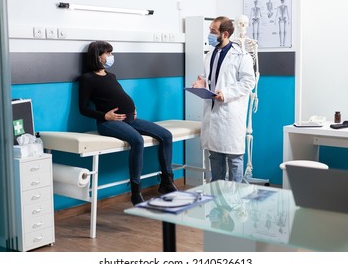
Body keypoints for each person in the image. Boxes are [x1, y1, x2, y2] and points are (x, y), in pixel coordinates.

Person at [79, 41, 177, 205]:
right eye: (108, 53)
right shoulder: (87, 79)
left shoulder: (111, 76)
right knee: (137, 141)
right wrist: (105, 116)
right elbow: (82, 108)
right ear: (98, 56)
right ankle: (135, 191)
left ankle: (166, 182)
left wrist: (132, 107)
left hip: (130, 119)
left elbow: (118, 95)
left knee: (166, 135)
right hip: (108, 123)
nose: (111, 57)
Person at [192, 16, 255, 183]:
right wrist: (201, 82)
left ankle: (235, 204)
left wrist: (226, 94)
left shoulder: (241, 56)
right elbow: (209, 77)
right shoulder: (210, 54)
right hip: (213, 113)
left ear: (225, 34)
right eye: (210, 31)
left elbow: (248, 82)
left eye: (213, 31)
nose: (210, 35)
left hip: (230, 113)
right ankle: (216, 201)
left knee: (234, 159)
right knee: (215, 157)